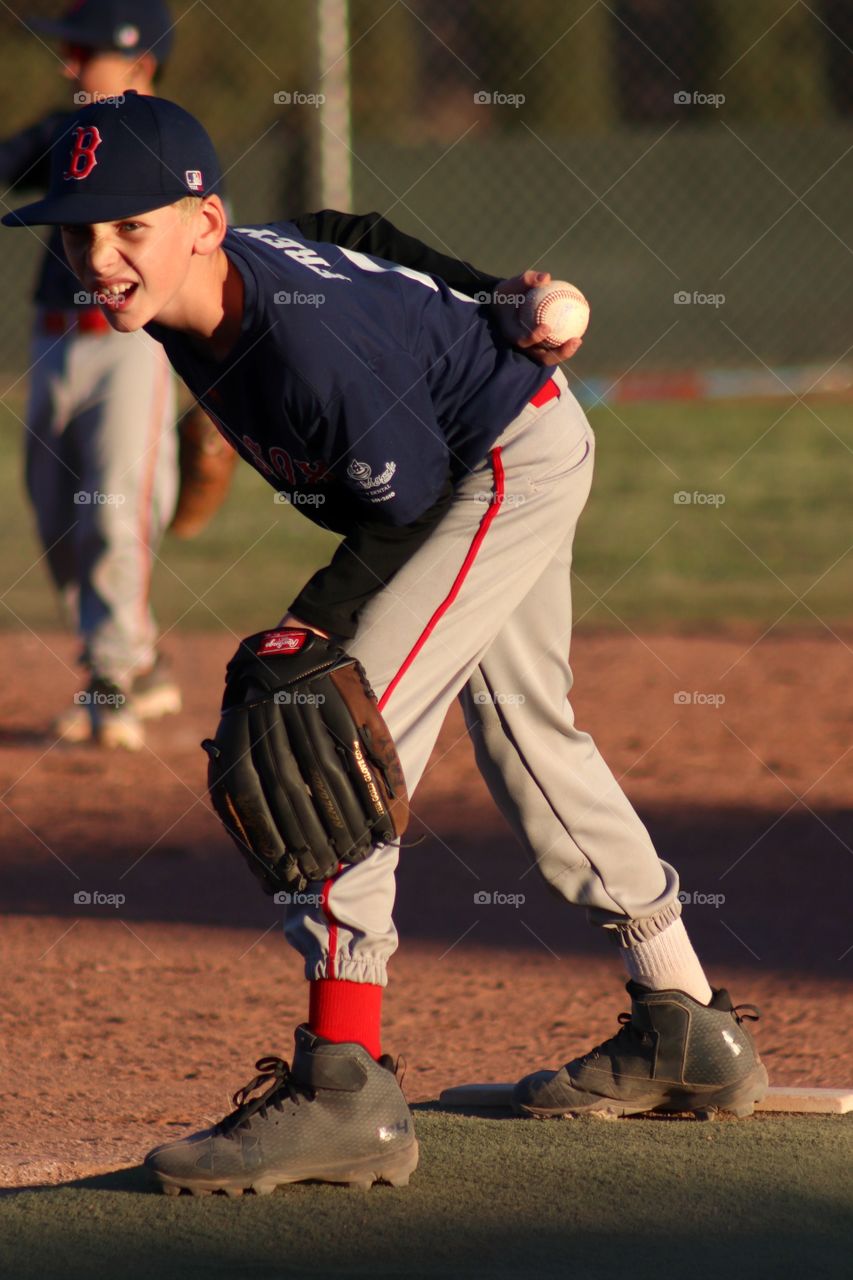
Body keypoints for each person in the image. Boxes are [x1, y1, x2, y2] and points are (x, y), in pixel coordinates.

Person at [3, 93, 767, 1197]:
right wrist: (494, 290)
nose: (100, 254)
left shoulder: (299, 347)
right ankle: (682, 1018)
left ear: (205, 223)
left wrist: (307, 632)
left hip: (494, 463)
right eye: (82, 230)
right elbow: (347, 231)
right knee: (523, 734)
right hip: (502, 434)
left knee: (332, 731)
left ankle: (345, 1087)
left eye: (130, 226)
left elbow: (402, 510)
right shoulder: (217, 277)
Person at [0, 0, 182, 750]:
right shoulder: (65, 133)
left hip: (128, 345)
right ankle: (135, 658)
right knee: (54, 511)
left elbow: (202, 258)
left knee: (112, 509)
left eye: (86, 52)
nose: (69, 65)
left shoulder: (172, 141)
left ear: (140, 62)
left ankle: (111, 676)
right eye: (69, 50)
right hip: (53, 343)